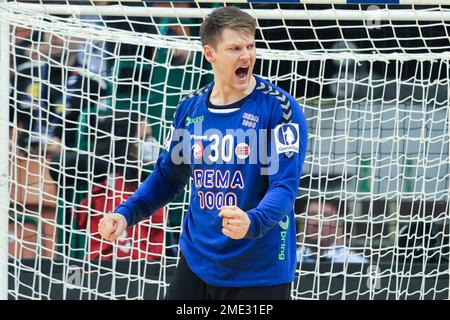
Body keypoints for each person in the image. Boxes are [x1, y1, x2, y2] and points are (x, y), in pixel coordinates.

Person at [98, 6, 308, 300]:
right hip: (197, 262)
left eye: (250, 46)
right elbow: (168, 177)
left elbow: (285, 188)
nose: (246, 56)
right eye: (235, 48)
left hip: (259, 270)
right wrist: (126, 214)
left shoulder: (280, 108)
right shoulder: (191, 108)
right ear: (210, 54)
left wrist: (253, 221)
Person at [297, 200, 367, 264]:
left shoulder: (356, 262)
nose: (318, 222)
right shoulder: (291, 259)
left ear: (337, 222)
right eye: (313, 215)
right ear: (304, 222)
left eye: (326, 215)